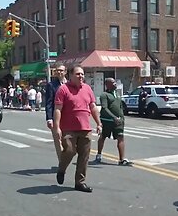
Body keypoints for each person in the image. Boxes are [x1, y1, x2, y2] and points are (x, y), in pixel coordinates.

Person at [53, 65, 102, 193]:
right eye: (78, 74)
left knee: (84, 156)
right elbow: (58, 109)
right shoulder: (63, 89)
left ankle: (80, 182)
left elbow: (93, 107)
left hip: (85, 128)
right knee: (69, 150)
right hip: (68, 129)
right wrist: (57, 127)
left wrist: (99, 123)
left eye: (82, 74)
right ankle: (62, 169)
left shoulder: (87, 89)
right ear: (70, 75)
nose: (81, 76)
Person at [94, 78, 133, 166]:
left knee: (120, 137)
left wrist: (122, 118)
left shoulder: (117, 94)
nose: (115, 84)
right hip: (107, 121)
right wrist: (114, 117)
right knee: (103, 136)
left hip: (119, 121)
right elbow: (105, 108)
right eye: (113, 83)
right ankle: (99, 154)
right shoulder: (104, 95)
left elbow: (120, 107)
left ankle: (122, 159)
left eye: (115, 82)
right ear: (107, 84)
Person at [45, 63, 67, 162]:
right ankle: (61, 162)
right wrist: (49, 118)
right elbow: (49, 102)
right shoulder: (51, 85)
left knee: (68, 141)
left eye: (61, 70)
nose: (59, 72)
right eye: (57, 70)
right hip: (56, 117)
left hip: (68, 117)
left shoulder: (70, 84)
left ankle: (66, 158)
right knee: (58, 141)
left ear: (65, 72)